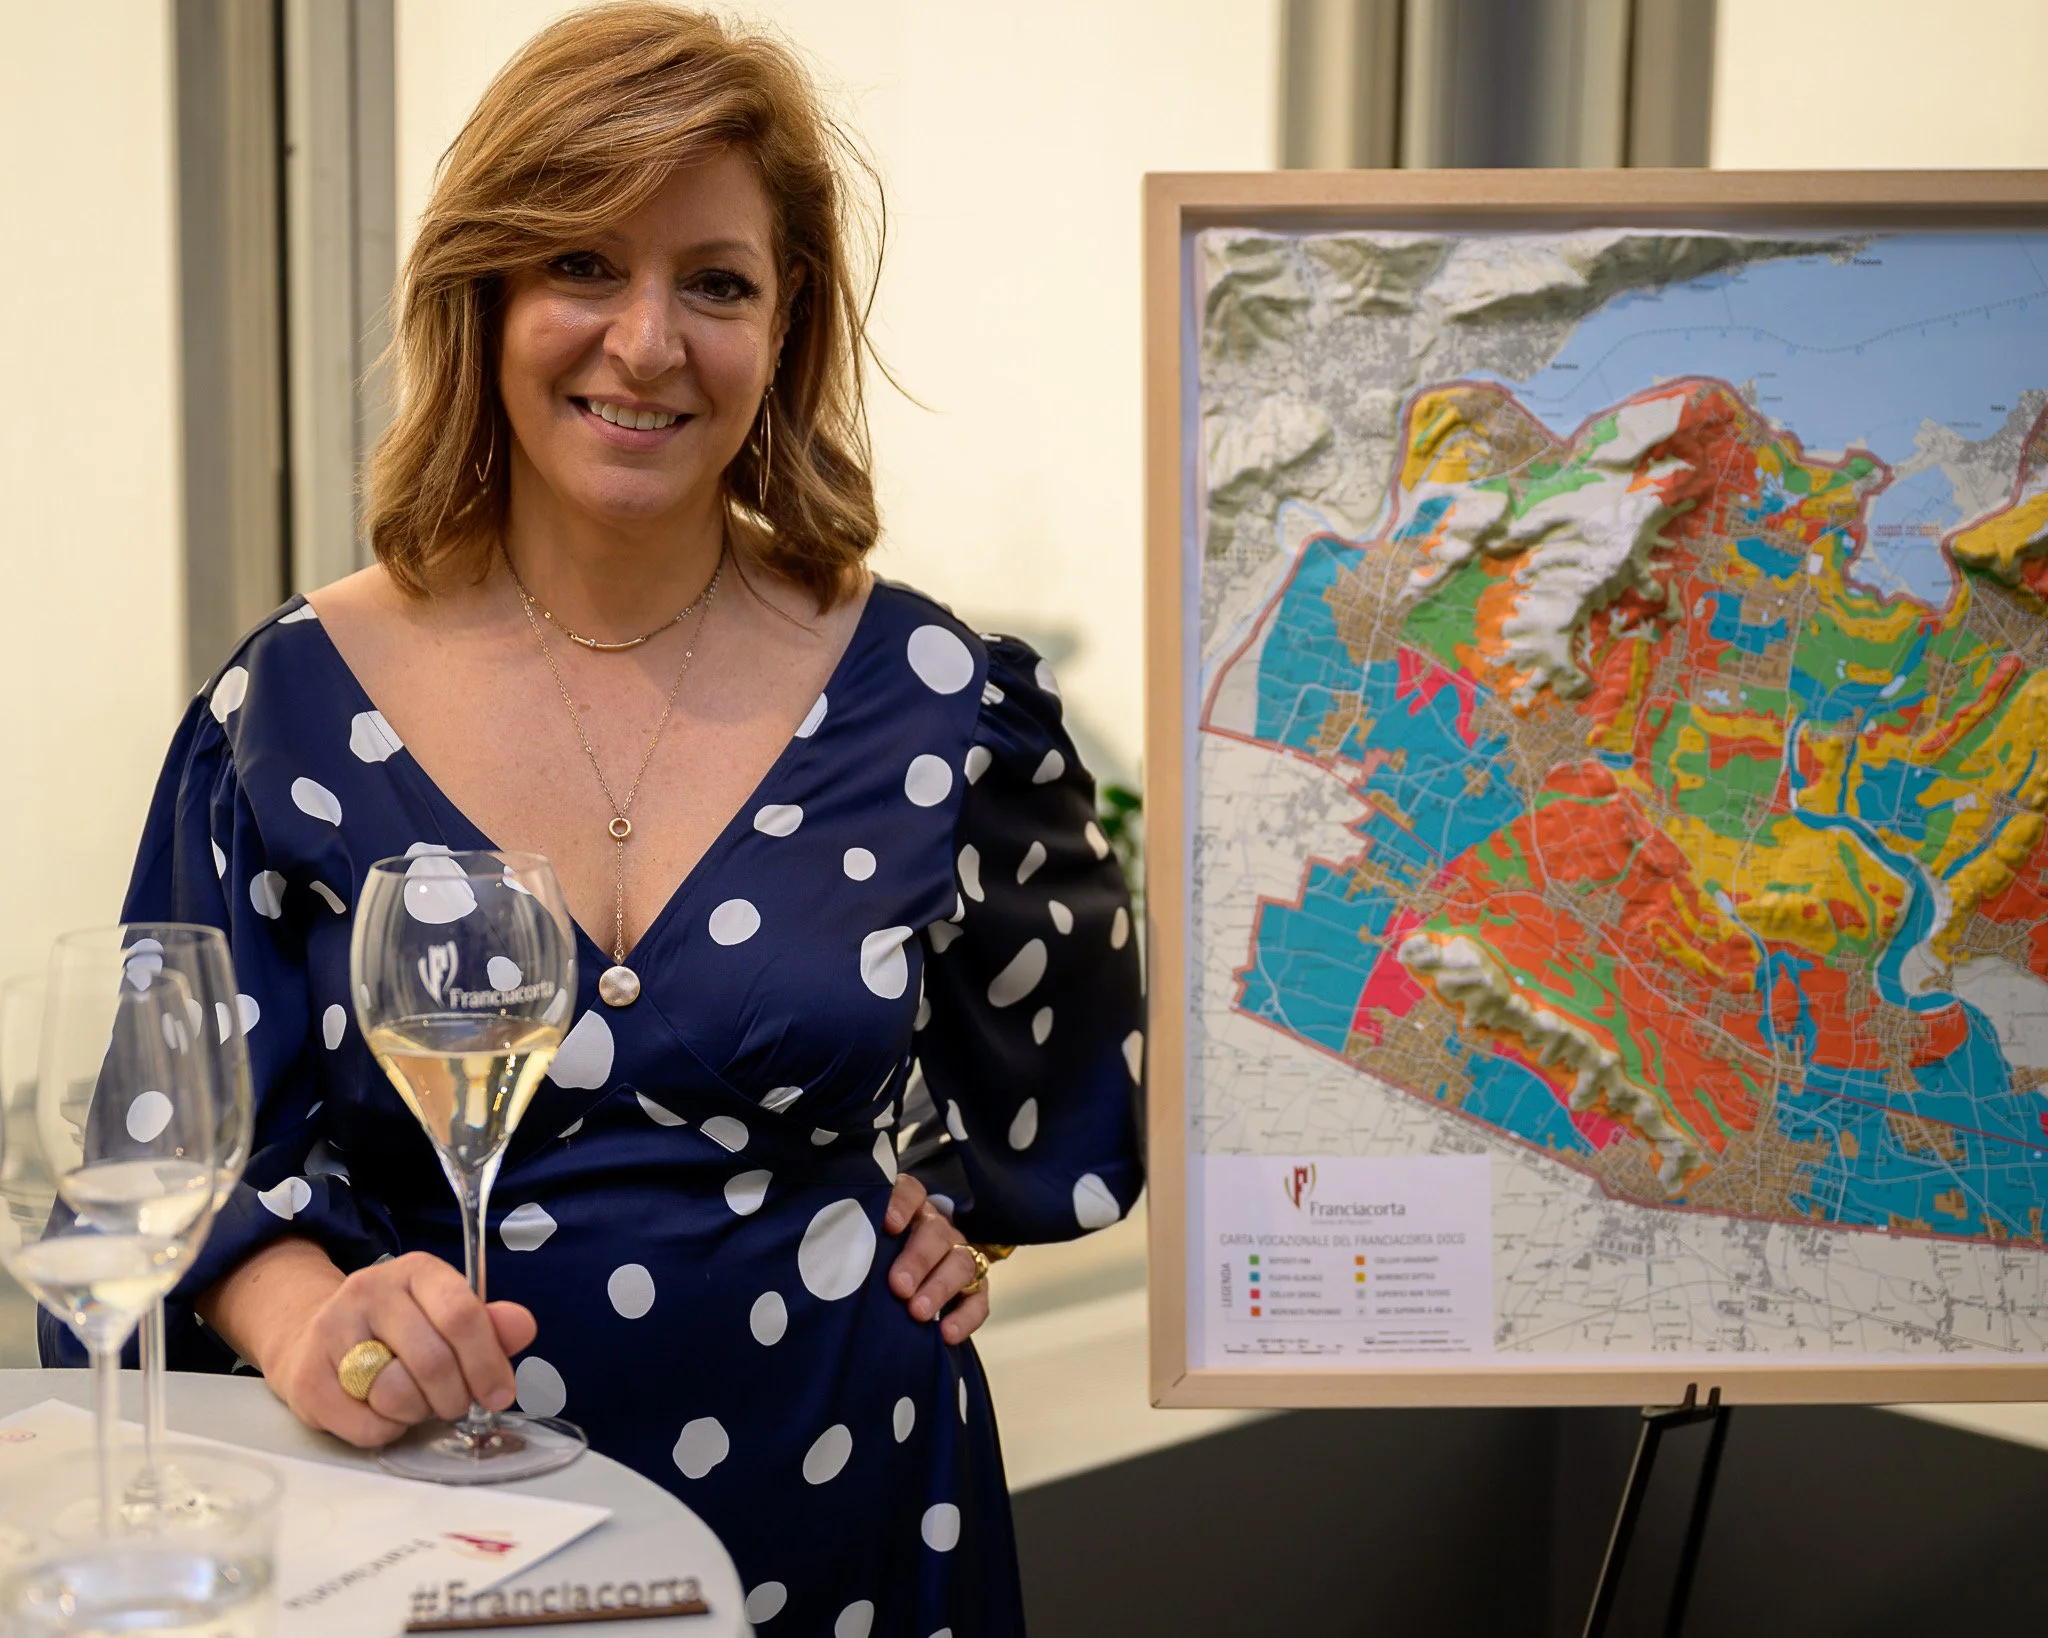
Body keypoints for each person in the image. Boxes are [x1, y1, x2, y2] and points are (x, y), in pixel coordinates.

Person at [42, 5, 1144, 1631]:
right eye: (579, 264)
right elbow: (160, 1172)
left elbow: (1068, 1081)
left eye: (716, 283)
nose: (646, 341)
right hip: (427, 1542)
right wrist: (303, 1320)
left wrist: (959, 1210)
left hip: (859, 1523)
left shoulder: (937, 696)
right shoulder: (283, 711)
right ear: (484, 294)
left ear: (787, 324)